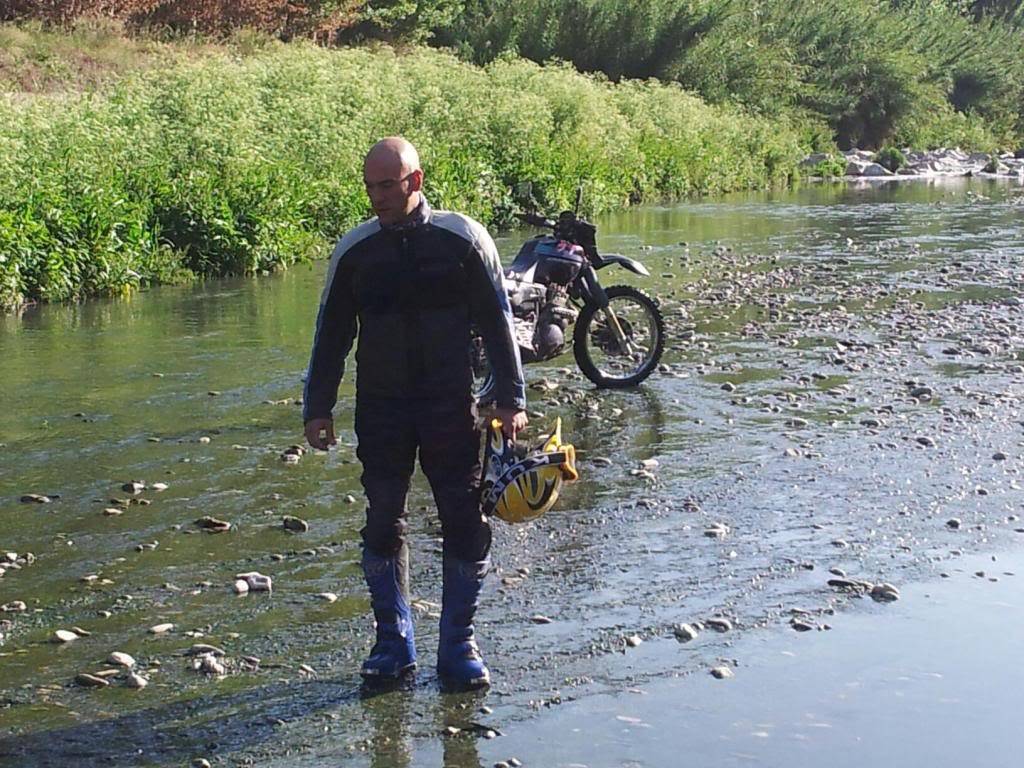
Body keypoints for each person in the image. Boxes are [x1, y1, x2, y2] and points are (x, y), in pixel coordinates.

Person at [303, 137, 527, 688]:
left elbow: (499, 322)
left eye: (388, 185)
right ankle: (393, 641)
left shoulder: (463, 240)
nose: (378, 197)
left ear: (415, 182)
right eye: (370, 187)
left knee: (463, 517)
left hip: (452, 404)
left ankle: (458, 644)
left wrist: (510, 399)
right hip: (381, 407)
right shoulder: (355, 251)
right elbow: (330, 334)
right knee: (383, 518)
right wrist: (318, 407)